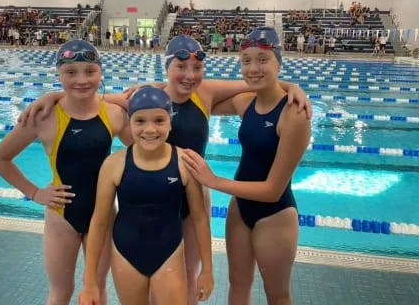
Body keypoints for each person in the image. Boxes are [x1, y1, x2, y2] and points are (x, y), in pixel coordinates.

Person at [19, 34, 311, 305]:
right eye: (180, 66)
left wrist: (292, 86)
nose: (189, 75)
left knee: (188, 284)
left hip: (195, 198)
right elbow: (89, 97)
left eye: (197, 67)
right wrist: (54, 96)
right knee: (153, 281)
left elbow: (256, 83)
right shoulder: (149, 98)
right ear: (167, 67)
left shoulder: (205, 93)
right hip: (158, 202)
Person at [0, 40, 131, 305]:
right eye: (70, 72)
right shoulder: (43, 117)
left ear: (101, 73)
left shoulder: (114, 114)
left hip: (101, 215)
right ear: (59, 75)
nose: (81, 79)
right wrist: (34, 193)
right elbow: (0, 158)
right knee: (61, 292)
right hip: (61, 217)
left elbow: (143, 150)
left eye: (90, 71)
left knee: (98, 290)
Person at [181, 27, 311, 304]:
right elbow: (198, 93)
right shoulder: (245, 102)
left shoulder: (294, 115)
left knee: (277, 295)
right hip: (240, 210)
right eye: (246, 60)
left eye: (263, 60)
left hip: (274, 215)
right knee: (238, 285)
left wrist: (213, 181)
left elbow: (273, 190)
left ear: (279, 62)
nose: (253, 68)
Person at [79, 86, 213, 305]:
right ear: (129, 122)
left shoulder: (184, 162)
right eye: (140, 121)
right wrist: (90, 280)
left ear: (170, 121)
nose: (150, 130)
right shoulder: (114, 164)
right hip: (125, 255)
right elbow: (99, 221)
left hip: (169, 254)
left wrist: (207, 269)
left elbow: (199, 218)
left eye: (159, 120)